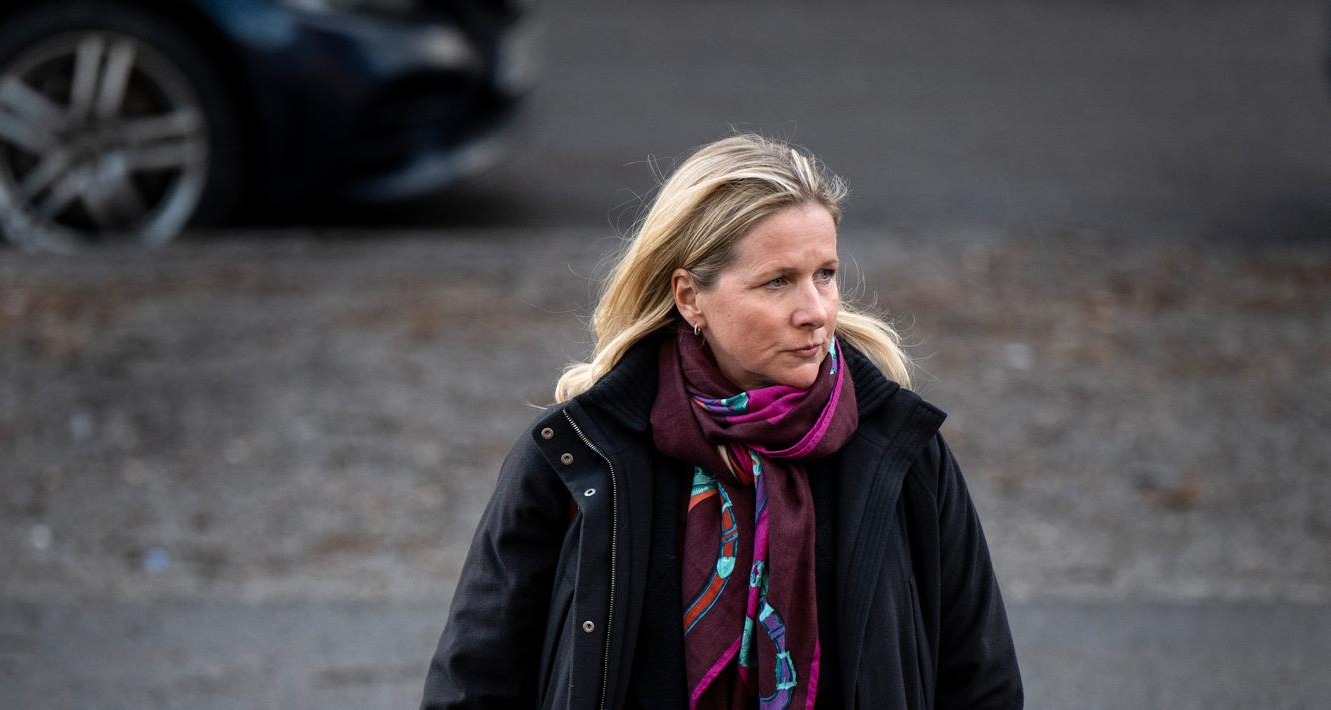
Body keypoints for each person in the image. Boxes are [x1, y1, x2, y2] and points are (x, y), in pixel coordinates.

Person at [422, 134, 1023, 709]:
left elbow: (979, 680)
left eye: (825, 274)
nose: (815, 312)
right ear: (690, 296)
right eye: (777, 282)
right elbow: (476, 681)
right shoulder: (581, 454)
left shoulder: (899, 450)